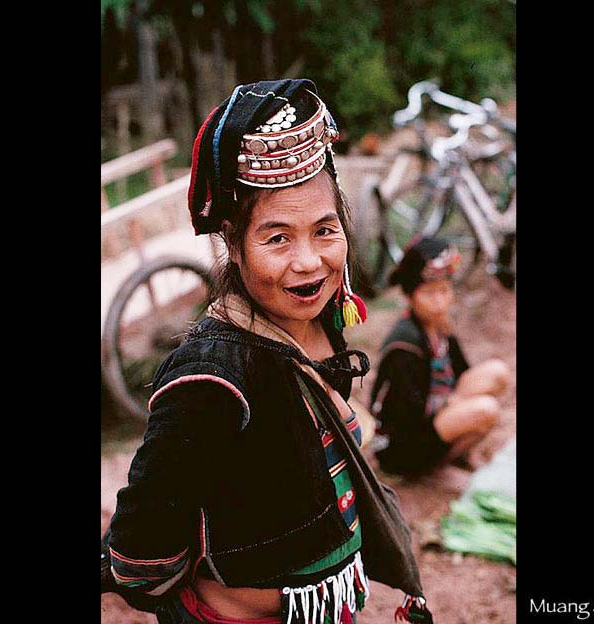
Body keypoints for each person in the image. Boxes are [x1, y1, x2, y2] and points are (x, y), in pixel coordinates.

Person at [101, 79, 432, 624]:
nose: (309, 261)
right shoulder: (211, 378)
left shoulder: (316, 320)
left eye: (325, 230)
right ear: (232, 243)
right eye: (277, 238)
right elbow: (142, 540)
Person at [369, 236, 510, 478]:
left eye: (444, 291)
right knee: (486, 410)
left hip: (434, 415)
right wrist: (454, 407)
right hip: (402, 448)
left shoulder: (439, 326)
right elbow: (405, 422)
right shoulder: (405, 346)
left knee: (497, 372)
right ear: (410, 296)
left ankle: (457, 453)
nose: (439, 302)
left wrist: (454, 402)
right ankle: (435, 467)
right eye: (429, 293)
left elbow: (463, 373)